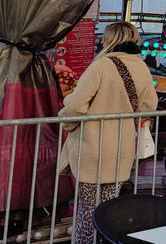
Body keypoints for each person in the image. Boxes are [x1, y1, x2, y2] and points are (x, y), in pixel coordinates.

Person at [59, 22, 158, 244]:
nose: (101, 41)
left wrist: (66, 119)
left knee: (88, 210)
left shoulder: (101, 65)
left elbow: (76, 104)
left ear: (111, 40)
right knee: (108, 209)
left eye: (104, 37)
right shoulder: (142, 67)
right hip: (122, 148)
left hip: (93, 147)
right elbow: (149, 105)